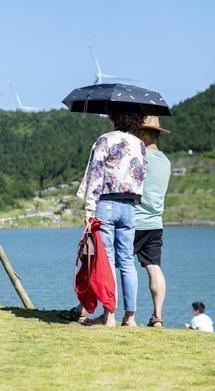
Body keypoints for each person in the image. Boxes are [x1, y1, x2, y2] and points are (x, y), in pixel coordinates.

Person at [76, 107, 146, 327]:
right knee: (127, 261)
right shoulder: (140, 145)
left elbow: (95, 176)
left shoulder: (105, 140)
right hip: (129, 206)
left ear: (114, 116)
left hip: (106, 204)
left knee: (105, 261)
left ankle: (109, 316)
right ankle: (131, 317)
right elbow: (141, 176)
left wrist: (89, 210)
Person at [134, 116, 172, 328]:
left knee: (112, 264)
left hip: (134, 220)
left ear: (143, 133)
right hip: (155, 223)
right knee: (154, 267)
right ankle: (157, 316)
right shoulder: (166, 161)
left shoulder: (140, 155)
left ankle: (108, 312)